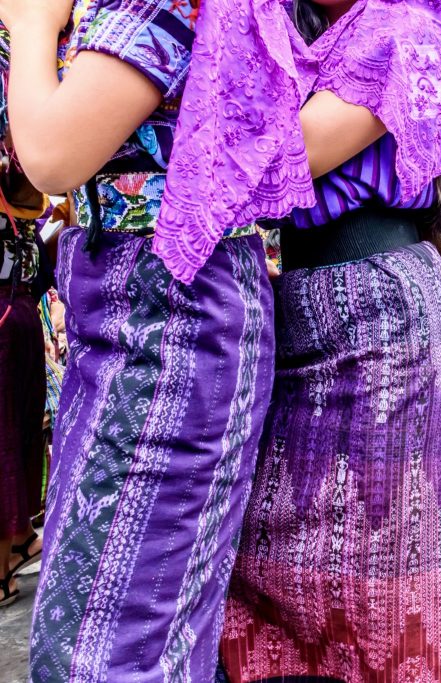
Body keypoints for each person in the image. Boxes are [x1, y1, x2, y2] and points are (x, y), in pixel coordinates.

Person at [1, 1, 277, 678]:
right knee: (118, 626)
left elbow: (52, 157)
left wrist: (32, 26)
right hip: (132, 295)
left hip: (174, 304)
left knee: (107, 646)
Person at [220, 1, 441, 681]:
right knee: (266, 546)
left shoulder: (402, 30)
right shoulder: (310, 35)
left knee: (374, 559)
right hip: (301, 299)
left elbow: (281, 155)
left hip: (378, 308)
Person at [0, 133, 51, 607]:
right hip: (15, 312)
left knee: (12, 431)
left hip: (13, 309)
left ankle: (11, 551)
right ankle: (16, 543)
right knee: (16, 430)